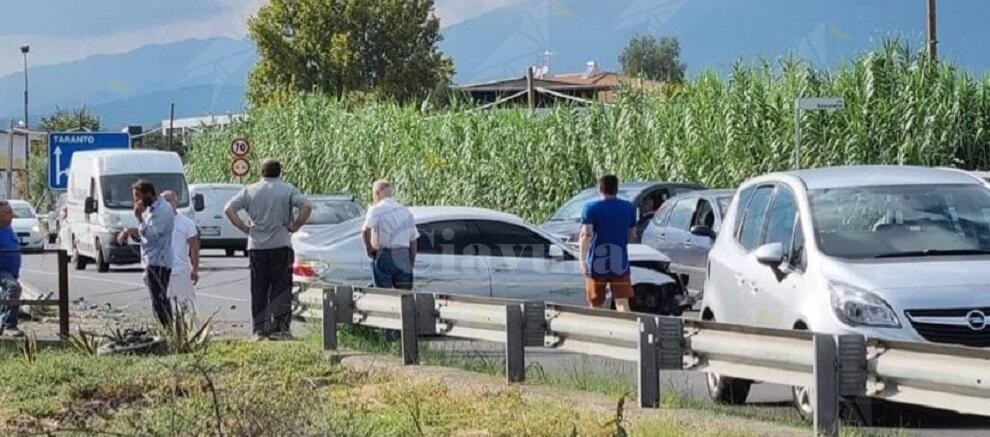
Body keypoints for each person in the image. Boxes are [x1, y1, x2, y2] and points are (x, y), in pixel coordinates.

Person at [225, 158, 311, 341]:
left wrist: (245, 228)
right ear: (279, 172)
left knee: (259, 288)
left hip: (257, 245)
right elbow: (306, 206)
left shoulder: (250, 190)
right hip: (281, 243)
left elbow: (229, 209)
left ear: (261, 171)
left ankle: (259, 329)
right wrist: (295, 225)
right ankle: (281, 328)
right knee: (281, 288)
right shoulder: (287, 189)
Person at [118, 181, 175, 327]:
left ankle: (168, 329)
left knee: (159, 300)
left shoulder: (162, 210)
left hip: (159, 262)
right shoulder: (152, 210)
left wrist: (139, 218)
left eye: (138, 196)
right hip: (152, 260)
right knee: (156, 299)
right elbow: (146, 233)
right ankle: (166, 329)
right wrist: (129, 232)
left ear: (148, 193)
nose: (136, 201)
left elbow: (153, 235)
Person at [579, 174, 637, 312]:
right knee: (622, 302)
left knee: (596, 303)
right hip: (619, 261)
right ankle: (627, 331)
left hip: (597, 261)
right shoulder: (628, 208)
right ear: (617, 189)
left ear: (599, 188)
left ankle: (596, 331)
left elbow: (586, 234)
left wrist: (582, 260)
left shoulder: (590, 208)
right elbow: (632, 234)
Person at [362, 180, 418, 290]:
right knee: (405, 295)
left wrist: (369, 248)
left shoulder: (376, 209)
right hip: (403, 255)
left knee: (384, 295)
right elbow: (413, 240)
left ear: (377, 193)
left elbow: (365, 230)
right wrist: (411, 262)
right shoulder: (405, 211)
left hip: (384, 255)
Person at [162, 191, 200, 319]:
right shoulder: (156, 222)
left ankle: (194, 332)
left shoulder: (186, 223)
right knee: (165, 306)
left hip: (180, 271)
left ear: (175, 202)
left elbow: (194, 248)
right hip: (162, 271)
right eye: (163, 201)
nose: (166, 204)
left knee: (187, 306)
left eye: (169, 200)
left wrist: (195, 269)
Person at [0, 201, 24, 337]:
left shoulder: (8, 228)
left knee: (7, 295)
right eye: (7, 213)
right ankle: (9, 325)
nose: (12, 216)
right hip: (1, 270)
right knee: (13, 288)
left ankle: (2, 324)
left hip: (10, 270)